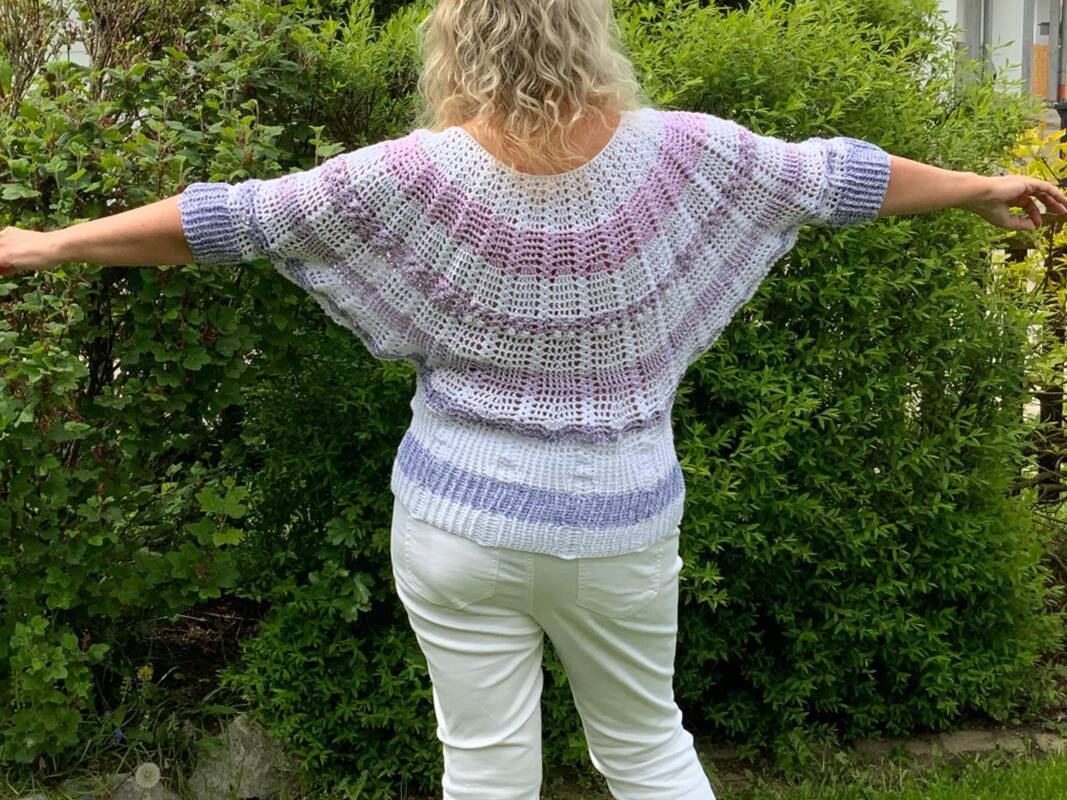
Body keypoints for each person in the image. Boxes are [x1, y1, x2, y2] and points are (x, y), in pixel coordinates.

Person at [2, 1, 1066, 798]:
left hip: (455, 523)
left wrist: (50, 242)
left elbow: (228, 218)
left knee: (485, 771)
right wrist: (980, 187)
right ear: (588, 37)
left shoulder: (406, 174)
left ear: (456, 48)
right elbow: (838, 176)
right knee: (647, 749)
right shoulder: (687, 153)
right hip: (620, 522)